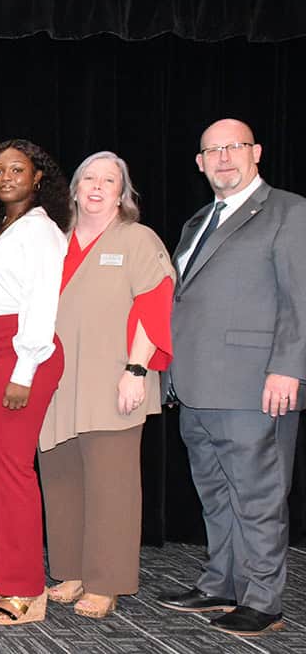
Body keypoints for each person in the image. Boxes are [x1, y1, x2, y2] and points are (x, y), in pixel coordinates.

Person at [156, 119, 306, 637]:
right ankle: (222, 582)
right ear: (199, 163)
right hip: (194, 385)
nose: (223, 157)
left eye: (234, 147)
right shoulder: (198, 220)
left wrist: (288, 368)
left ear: (256, 152)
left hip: (254, 384)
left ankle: (264, 599)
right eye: (211, 150)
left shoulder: (289, 211)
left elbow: (300, 299)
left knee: (258, 496)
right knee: (215, 492)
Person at [39, 151, 174, 619]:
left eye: (109, 180)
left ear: (123, 192)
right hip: (54, 383)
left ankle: (106, 580)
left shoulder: (137, 239)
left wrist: (137, 370)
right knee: (60, 479)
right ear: (74, 188)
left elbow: (155, 305)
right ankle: (72, 572)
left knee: (111, 485)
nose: (97, 187)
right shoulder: (55, 241)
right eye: (89, 178)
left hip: (114, 378)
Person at [0, 139, 69, 625]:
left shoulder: (42, 231)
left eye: (17, 169)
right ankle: (1, 578)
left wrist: (23, 371)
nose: (6, 177)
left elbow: (42, 306)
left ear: (39, 177)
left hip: (23, 353)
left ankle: (26, 589)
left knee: (13, 472)